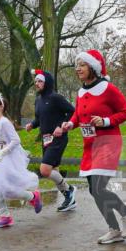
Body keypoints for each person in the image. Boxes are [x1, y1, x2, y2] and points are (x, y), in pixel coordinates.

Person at [55, 49, 126, 244]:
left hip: (108, 142)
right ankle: (114, 229)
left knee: (99, 188)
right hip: (90, 146)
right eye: (77, 65)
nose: (78, 69)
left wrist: (106, 120)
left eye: (82, 65)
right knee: (94, 190)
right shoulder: (81, 91)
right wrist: (70, 124)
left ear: (93, 67)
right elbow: (78, 115)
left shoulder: (108, 89)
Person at [0, 90, 43, 228]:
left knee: (8, 190)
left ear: (0, 107)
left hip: (10, 158)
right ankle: (5, 216)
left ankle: (33, 197)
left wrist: (3, 152)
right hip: (0, 159)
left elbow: (15, 140)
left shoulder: (5, 122)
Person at [25, 69, 77, 212]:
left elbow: (72, 111)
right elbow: (39, 118)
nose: (37, 83)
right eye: (35, 81)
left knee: (45, 170)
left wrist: (62, 126)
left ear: (47, 82)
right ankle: (69, 199)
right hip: (46, 139)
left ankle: (69, 190)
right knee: (54, 171)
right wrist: (32, 124)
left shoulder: (56, 98)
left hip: (58, 138)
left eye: (40, 81)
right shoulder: (38, 100)